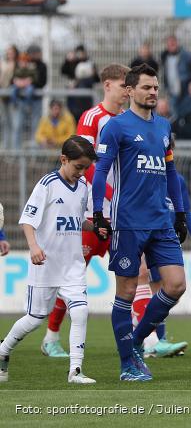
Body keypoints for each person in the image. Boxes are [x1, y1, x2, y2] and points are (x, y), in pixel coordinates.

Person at [91, 64, 189, 382]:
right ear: (130, 90)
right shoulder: (116, 128)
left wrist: (181, 213)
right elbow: (102, 171)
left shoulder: (163, 128)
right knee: (128, 290)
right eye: (147, 87)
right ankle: (127, 365)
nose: (153, 92)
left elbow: (171, 173)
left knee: (176, 285)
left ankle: (134, 342)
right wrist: (97, 212)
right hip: (128, 221)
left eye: (156, 87)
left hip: (161, 221)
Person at [39, 64, 130, 358]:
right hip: (94, 210)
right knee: (73, 275)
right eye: (123, 85)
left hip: (123, 210)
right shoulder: (93, 118)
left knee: (137, 271)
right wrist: (110, 196)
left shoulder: (129, 120)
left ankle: (149, 340)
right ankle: (51, 336)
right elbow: (85, 163)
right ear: (107, 85)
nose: (127, 91)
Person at [0, 136, 97, 384]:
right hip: (45, 265)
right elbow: (27, 220)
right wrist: (33, 247)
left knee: (81, 312)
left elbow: (77, 220)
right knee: (34, 319)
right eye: (78, 166)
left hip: (72, 266)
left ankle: (75, 370)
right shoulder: (47, 185)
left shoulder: (84, 186)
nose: (82, 172)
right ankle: (3, 351)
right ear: (63, 159)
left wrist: (94, 227)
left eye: (85, 167)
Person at [132, 135, 191, 359]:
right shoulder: (145, 177)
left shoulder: (176, 180)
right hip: (149, 237)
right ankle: (151, 340)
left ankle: (153, 339)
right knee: (152, 287)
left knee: (168, 290)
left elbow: (186, 211)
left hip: (168, 239)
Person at [160, 35, 191, 117]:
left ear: (177, 43)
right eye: (169, 43)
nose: (171, 45)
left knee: (185, 113)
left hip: (185, 90)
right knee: (174, 114)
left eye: (173, 42)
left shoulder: (186, 56)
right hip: (172, 91)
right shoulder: (165, 57)